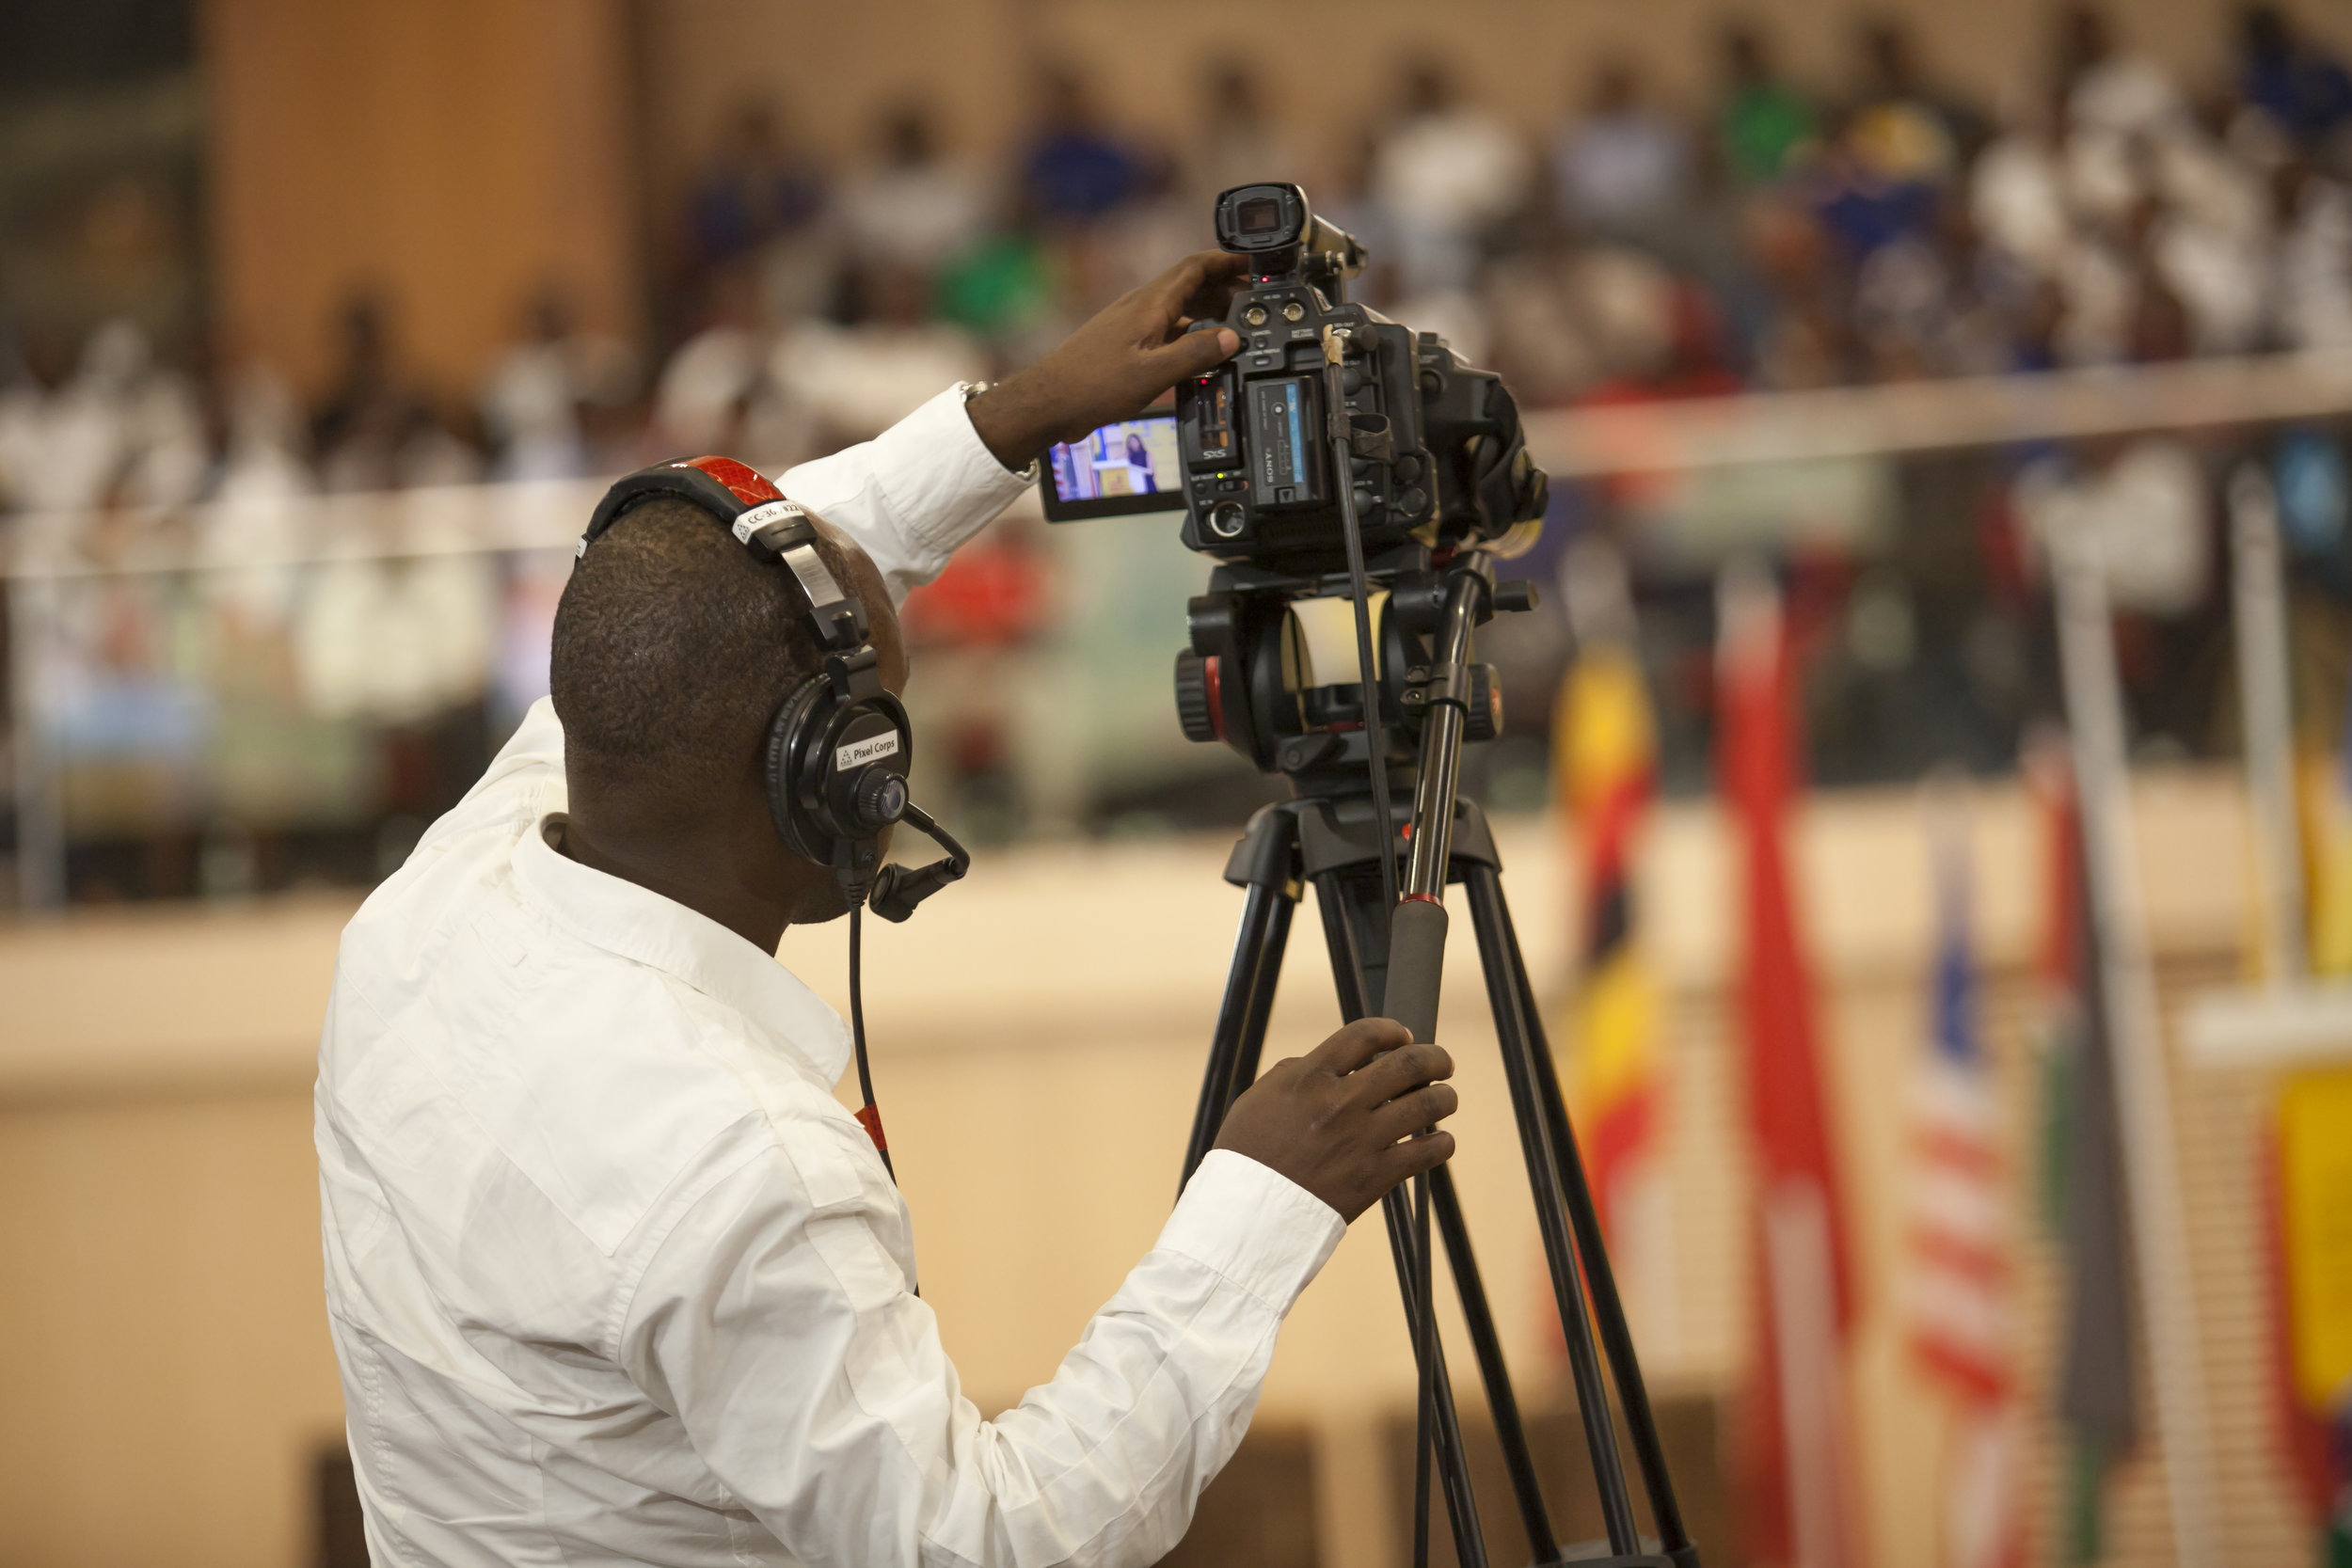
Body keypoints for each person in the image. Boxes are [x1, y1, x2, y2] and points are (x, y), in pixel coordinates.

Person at [314, 249, 1461, 1567]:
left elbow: (752, 562)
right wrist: (1262, 1201)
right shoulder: (734, 1165)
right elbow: (984, 1545)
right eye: (883, 728)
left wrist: (1016, 417)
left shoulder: (445, 892)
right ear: (829, 777)